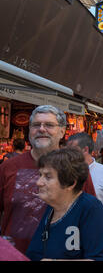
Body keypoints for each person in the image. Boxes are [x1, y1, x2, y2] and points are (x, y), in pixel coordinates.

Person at [0, 105, 96, 254]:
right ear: (29, 130)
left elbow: (91, 219)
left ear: (62, 131)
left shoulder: (76, 169)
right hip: (15, 255)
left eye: (49, 125)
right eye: (36, 125)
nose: (42, 129)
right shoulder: (7, 168)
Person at [26, 147, 103, 261]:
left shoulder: (91, 209)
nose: (39, 182)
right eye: (40, 175)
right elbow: (34, 253)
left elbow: (102, 258)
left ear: (70, 183)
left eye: (48, 177)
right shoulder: (51, 208)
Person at [67, 132, 103, 257]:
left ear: (85, 150)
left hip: (97, 232)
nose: (68, 154)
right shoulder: (64, 171)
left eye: (72, 150)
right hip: (69, 234)